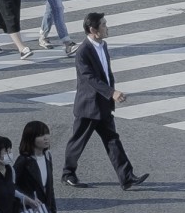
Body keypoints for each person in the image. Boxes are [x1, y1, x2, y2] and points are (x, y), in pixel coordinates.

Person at [62, 11, 147, 188]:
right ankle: (68, 174)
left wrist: (110, 95)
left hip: (102, 105)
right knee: (78, 141)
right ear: (93, 29)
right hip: (88, 106)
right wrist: (111, 92)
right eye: (103, 25)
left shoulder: (103, 45)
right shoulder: (83, 52)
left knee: (112, 140)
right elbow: (90, 78)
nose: (107, 27)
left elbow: (106, 73)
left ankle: (127, 177)